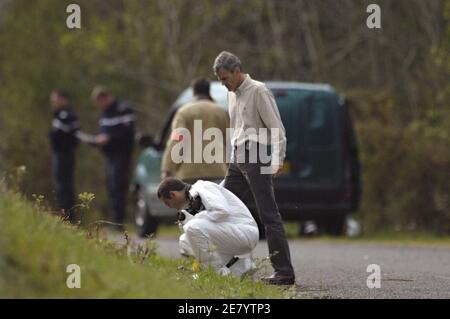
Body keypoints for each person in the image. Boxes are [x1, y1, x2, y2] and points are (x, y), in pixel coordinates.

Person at [213, 51, 295, 285]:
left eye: (225, 78)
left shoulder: (259, 90)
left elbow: (277, 128)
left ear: (237, 71)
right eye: (220, 80)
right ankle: (225, 265)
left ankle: (284, 271)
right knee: (221, 207)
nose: (223, 84)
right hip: (237, 156)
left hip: (257, 153)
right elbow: (236, 128)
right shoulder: (230, 94)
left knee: (268, 214)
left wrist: (278, 159)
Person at [157, 177, 259, 277]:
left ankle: (216, 274)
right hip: (235, 232)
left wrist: (195, 219)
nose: (169, 206)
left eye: (167, 203)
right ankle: (240, 268)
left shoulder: (202, 188)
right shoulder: (193, 196)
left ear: (172, 194)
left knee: (192, 227)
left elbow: (222, 211)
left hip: (245, 232)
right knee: (185, 240)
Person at [161, 78, 229, 184]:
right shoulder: (221, 112)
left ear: (193, 92)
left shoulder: (184, 112)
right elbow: (230, 141)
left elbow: (177, 140)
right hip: (217, 172)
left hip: (189, 173)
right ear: (208, 91)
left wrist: (168, 168)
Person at [91, 86, 135, 231]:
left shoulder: (123, 109)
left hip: (122, 155)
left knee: (118, 186)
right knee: (110, 186)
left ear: (105, 98)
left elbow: (128, 134)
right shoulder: (105, 113)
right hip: (109, 156)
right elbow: (104, 131)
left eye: (100, 102)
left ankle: (119, 222)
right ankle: (115, 221)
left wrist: (109, 138)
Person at [48, 90, 80, 221]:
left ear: (64, 100)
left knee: (65, 186)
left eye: (55, 99)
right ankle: (65, 214)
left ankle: (68, 217)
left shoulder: (68, 115)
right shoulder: (59, 115)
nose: (53, 102)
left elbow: (70, 136)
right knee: (61, 185)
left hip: (65, 154)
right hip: (59, 153)